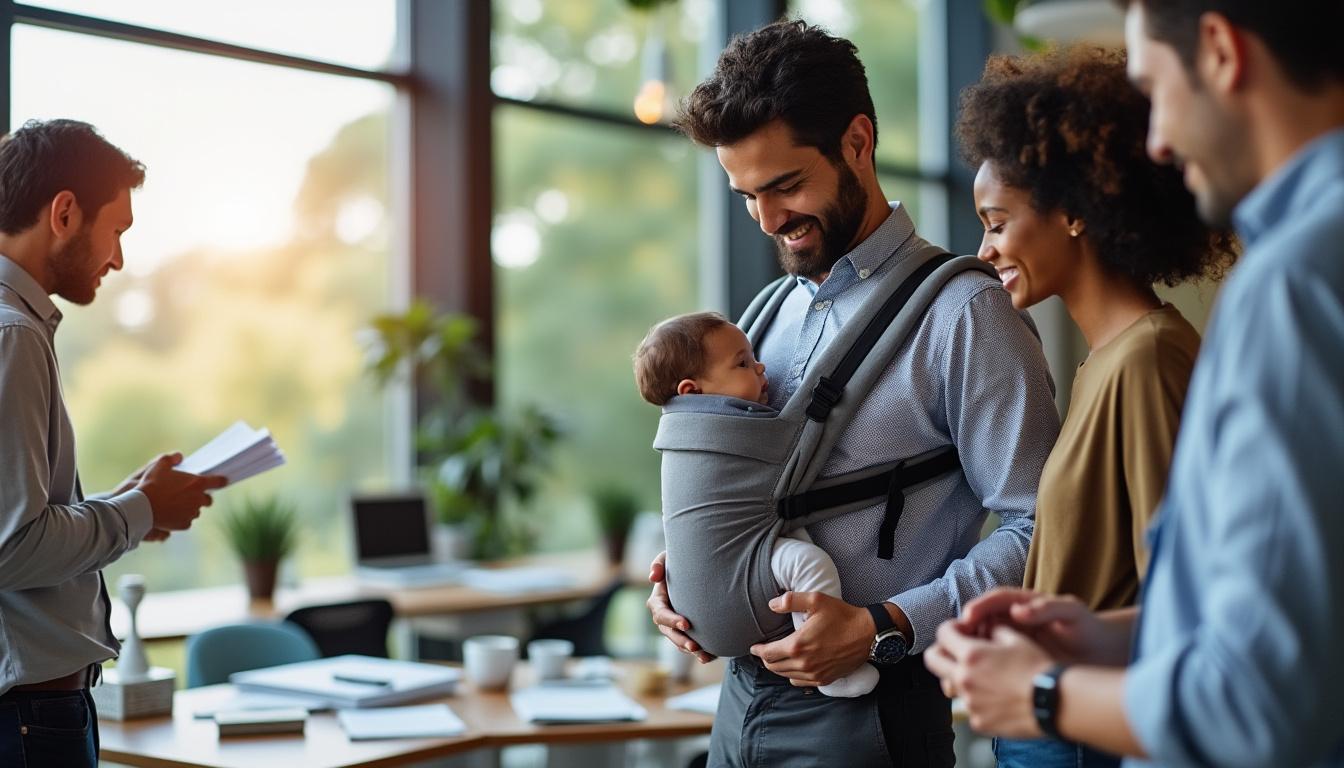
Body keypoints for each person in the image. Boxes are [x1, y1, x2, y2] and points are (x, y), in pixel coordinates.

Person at [925, 2, 1344, 766]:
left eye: (1155, 88)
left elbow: (1254, 692)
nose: (1156, 142)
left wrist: (1043, 693)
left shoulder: (1278, 289)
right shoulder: (1118, 357)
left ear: (1219, 50)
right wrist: (1095, 633)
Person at [645, 20, 1061, 766]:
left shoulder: (966, 314)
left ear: (858, 142)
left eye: (785, 186)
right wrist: (683, 581)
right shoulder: (764, 316)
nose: (768, 220)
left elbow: (1044, 532)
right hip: (736, 706)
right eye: (746, 196)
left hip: (872, 715)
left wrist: (882, 626)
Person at [955, 46, 1237, 768]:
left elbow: (1182, 594)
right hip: (1051, 717)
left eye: (997, 222)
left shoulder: (1148, 358)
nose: (984, 250)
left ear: (1075, 212)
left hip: (1083, 728)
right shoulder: (1105, 360)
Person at [0, 119, 228, 767]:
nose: (119, 258)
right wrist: (142, 510)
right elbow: (12, 547)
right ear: (65, 213)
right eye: (118, 230)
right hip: (29, 719)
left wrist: (125, 505)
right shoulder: (13, 335)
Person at [634, 310, 880, 698]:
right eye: (743, 363)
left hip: (713, 604)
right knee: (809, 562)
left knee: (791, 532)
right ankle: (825, 663)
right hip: (736, 647)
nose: (761, 367)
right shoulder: (733, 431)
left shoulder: (683, 432)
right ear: (693, 392)